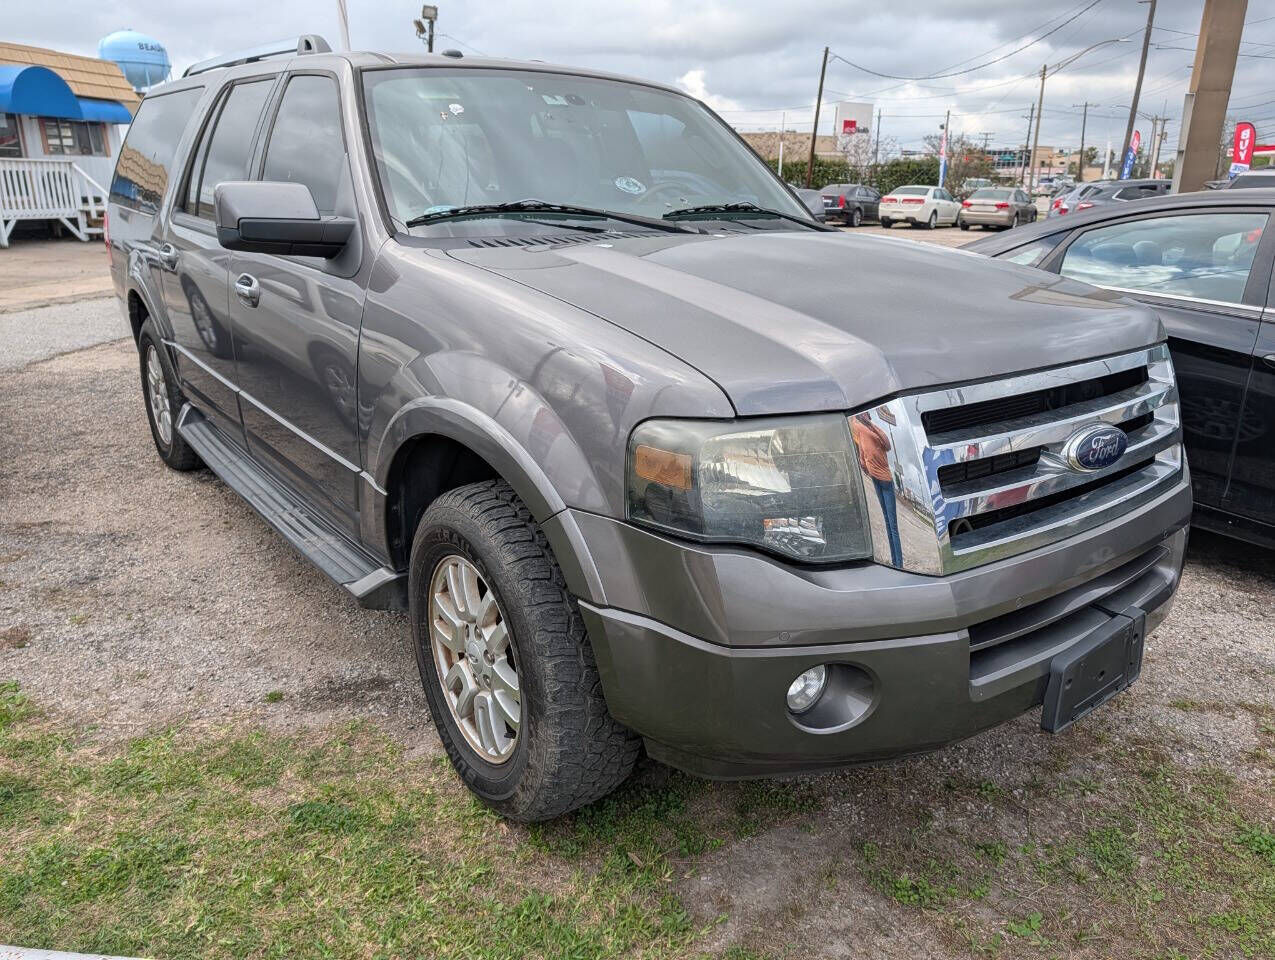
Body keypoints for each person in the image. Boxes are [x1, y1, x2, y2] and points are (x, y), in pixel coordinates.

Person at [851, 412, 902, 567]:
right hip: (875, 478)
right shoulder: (858, 428)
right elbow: (861, 451)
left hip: (886, 479)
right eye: (863, 414)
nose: (865, 415)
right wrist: (864, 464)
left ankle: (899, 564)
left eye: (867, 414)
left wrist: (871, 424)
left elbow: (888, 445)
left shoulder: (874, 430)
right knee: (887, 521)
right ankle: (894, 562)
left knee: (892, 525)